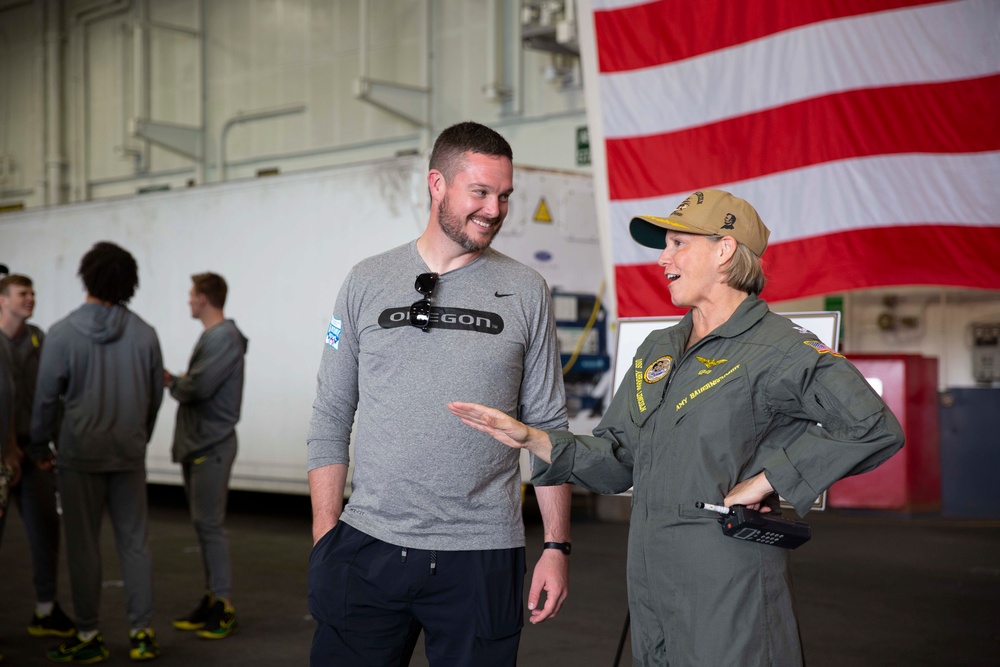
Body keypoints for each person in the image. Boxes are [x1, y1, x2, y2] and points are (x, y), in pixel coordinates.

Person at [449, 189, 906, 666]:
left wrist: (770, 480)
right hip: (649, 573)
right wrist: (534, 439)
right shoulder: (659, 347)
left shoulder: (781, 347)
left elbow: (872, 425)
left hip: (728, 576)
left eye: (676, 244)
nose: (662, 259)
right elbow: (618, 461)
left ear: (724, 250)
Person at [307, 121, 572, 667]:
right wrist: (324, 537)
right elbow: (332, 413)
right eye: (480, 192)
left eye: (504, 196)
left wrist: (555, 545)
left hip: (482, 554)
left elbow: (549, 424)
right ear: (437, 184)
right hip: (369, 545)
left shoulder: (526, 291)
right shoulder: (366, 281)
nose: (495, 210)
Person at [30, 241, 164, 663]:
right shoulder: (145, 333)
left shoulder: (62, 333)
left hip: (79, 456)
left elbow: (46, 400)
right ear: (130, 281)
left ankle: (88, 635)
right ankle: (142, 634)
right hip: (127, 453)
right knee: (135, 544)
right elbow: (154, 397)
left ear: (86, 276)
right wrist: (138, 436)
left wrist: (40, 444)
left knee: (83, 547)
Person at [165, 272, 248, 640]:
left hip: (210, 446)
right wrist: (183, 382)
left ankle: (223, 605)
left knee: (209, 526)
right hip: (201, 444)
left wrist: (173, 382)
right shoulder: (217, 337)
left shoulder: (223, 338)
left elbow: (196, 386)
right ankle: (213, 597)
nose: (188, 301)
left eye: (191, 295)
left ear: (204, 298)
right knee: (203, 526)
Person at [0, 275, 76, 639]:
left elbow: (53, 396)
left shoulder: (38, 339)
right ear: (3, 300)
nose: (30, 299)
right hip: (1, 453)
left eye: (32, 293)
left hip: (32, 450)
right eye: (22, 294)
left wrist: (49, 446)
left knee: (46, 528)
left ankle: (46, 610)